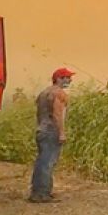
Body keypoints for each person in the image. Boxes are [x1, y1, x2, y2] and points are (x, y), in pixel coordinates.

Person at [29, 67, 75, 203]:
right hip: (51, 131)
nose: (70, 80)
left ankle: (37, 192)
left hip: (41, 130)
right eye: (67, 77)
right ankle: (42, 194)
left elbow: (39, 113)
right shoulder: (59, 94)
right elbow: (57, 113)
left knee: (41, 162)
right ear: (59, 79)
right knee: (48, 162)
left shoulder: (44, 93)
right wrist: (61, 132)